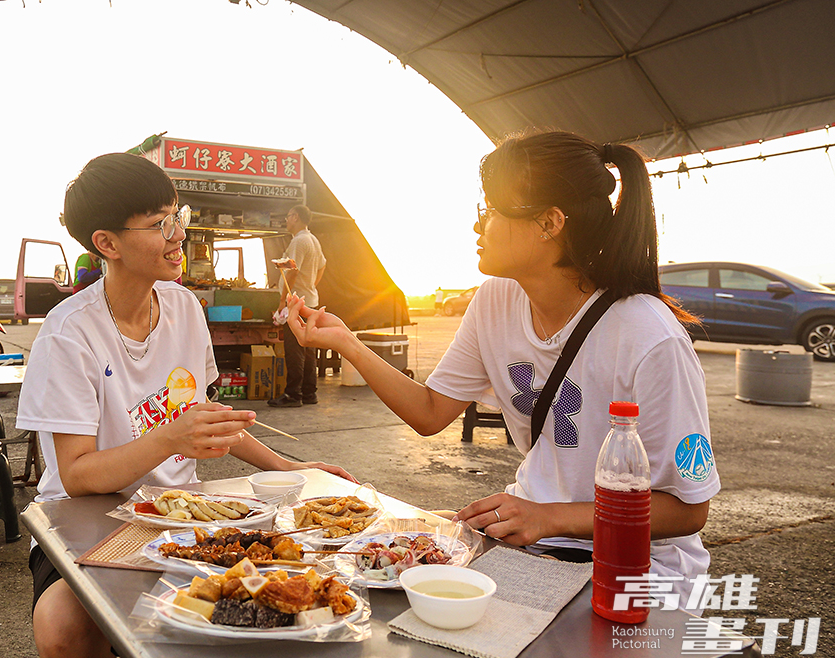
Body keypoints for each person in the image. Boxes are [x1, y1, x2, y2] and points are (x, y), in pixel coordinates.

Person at [284, 131, 719, 601]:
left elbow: (688, 510)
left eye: (490, 210)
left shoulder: (650, 337)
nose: (478, 225)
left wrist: (548, 517)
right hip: (533, 547)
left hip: (638, 569)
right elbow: (430, 412)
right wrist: (346, 342)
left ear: (549, 222)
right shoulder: (495, 300)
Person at [16, 153, 355, 658]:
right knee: (63, 628)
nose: (179, 234)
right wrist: (170, 438)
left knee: (295, 583)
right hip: (86, 519)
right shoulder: (68, 333)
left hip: (178, 516)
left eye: (178, 215)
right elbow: (77, 475)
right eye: (159, 224)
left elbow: (200, 414)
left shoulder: (184, 307)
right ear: (107, 243)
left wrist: (290, 467)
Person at [267, 204, 326, 408]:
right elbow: (322, 265)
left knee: (294, 349)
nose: (286, 220)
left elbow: (293, 271)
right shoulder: (313, 239)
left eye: (288, 216)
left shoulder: (299, 241)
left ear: (296, 217)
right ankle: (309, 392)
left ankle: (293, 394)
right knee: (308, 348)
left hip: (295, 303)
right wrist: (311, 285)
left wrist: (283, 300)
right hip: (309, 301)